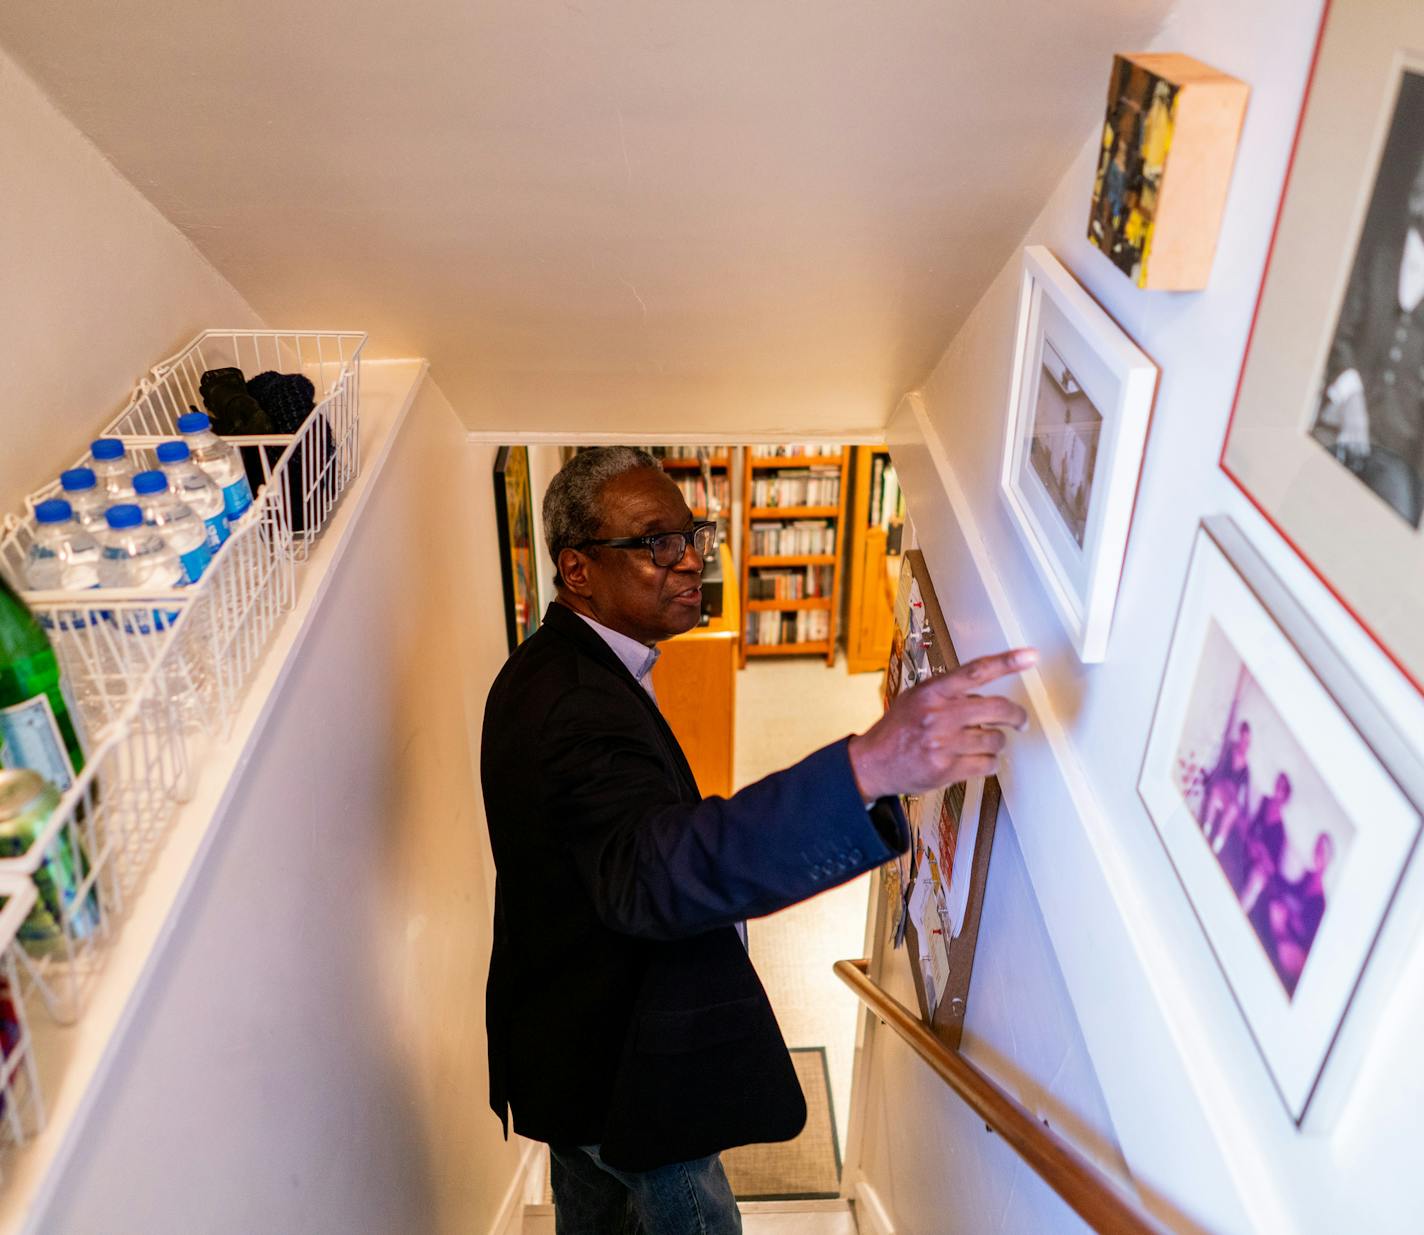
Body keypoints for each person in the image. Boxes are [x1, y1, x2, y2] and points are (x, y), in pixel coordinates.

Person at [481, 447, 1034, 1234]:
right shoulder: (574, 704)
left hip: (564, 1053)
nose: (692, 562)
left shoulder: (550, 667)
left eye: (691, 534)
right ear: (577, 568)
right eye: (656, 544)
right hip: (623, 1075)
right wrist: (866, 768)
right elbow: (656, 869)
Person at [1314, 151, 1424, 527]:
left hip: (1400, 456)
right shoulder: (1377, 253)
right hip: (1338, 428)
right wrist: (1352, 401)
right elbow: (1337, 333)